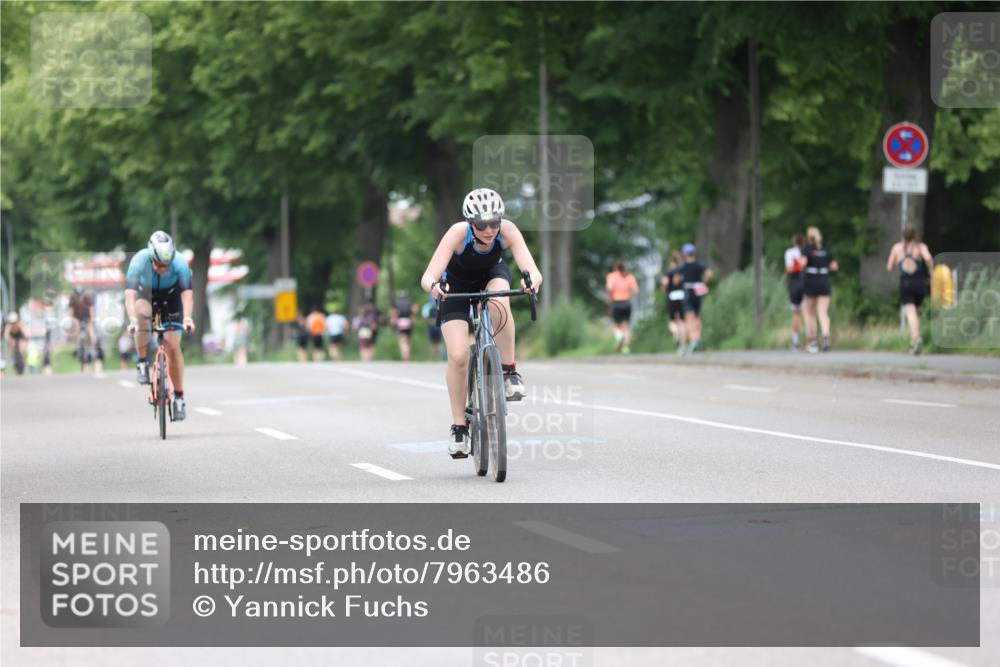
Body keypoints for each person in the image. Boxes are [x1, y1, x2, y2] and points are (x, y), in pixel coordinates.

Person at [419, 187, 542, 459]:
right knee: (459, 356)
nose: (489, 230)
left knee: (500, 301)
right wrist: (436, 288)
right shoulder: (457, 234)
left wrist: (530, 281)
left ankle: (509, 372)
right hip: (456, 288)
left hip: (491, 276)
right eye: (482, 224)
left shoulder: (507, 231)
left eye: (494, 223)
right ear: (470, 223)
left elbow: (532, 270)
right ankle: (459, 428)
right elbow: (427, 276)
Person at [124, 231, 195, 420]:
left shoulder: (180, 264)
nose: (163, 268)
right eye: (158, 264)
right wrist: (132, 321)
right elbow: (130, 295)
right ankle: (141, 361)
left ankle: (179, 397)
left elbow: (187, 295)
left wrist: (187, 319)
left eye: (167, 265)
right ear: (150, 257)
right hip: (146, 294)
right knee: (142, 313)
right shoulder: (139, 261)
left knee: (173, 346)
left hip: (172, 297)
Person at [886, 224, 934, 355]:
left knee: (910, 313)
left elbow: (889, 266)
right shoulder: (920, 247)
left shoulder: (897, 248)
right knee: (917, 312)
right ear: (915, 235)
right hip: (919, 283)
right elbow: (929, 258)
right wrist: (930, 271)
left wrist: (899, 263)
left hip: (906, 283)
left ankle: (916, 338)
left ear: (903, 236)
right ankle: (915, 339)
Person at [801, 226, 838, 354]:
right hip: (824, 281)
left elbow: (802, 264)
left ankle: (812, 340)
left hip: (811, 281)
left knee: (810, 313)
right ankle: (826, 336)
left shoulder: (807, 250)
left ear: (808, 237)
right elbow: (834, 266)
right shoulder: (825, 250)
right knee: (823, 312)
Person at [678, 243, 713, 353]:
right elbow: (709, 274)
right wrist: (703, 283)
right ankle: (697, 340)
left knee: (689, 318)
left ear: (684, 254)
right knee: (697, 317)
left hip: (687, 291)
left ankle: (693, 341)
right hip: (698, 290)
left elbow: (676, 280)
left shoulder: (682, 267)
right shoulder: (700, 265)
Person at [606, 260, 639, 354]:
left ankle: (619, 337)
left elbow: (609, 289)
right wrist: (629, 295)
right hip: (627, 303)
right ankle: (626, 347)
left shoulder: (612, 276)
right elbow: (636, 290)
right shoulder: (630, 276)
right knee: (626, 326)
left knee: (616, 325)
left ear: (616, 268)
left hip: (616, 302)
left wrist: (610, 298)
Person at [661, 251, 687, 354]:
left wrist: (664, 290)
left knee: (672, 321)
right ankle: (683, 342)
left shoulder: (668, 272)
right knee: (682, 321)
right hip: (681, 295)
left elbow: (665, 283)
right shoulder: (682, 270)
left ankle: (676, 333)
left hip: (671, 296)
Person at [784, 233, 807, 351]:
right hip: (806, 282)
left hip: (794, 283)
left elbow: (789, 269)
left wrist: (794, 268)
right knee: (807, 313)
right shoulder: (806, 252)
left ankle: (795, 342)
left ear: (794, 242)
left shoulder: (789, 252)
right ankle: (810, 341)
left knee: (796, 313)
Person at [69, 287, 96, 373]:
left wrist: (91, 322)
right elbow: (71, 313)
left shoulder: (87, 299)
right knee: (75, 329)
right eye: (77, 295)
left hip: (87, 318)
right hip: (77, 319)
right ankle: (77, 347)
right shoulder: (73, 300)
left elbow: (92, 312)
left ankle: (92, 347)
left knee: (90, 331)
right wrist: (73, 321)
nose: (79, 297)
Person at [390, 290, 417, 362]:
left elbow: (393, 312)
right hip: (408, 321)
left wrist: (393, 320)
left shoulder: (396, 303)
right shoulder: (410, 302)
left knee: (402, 340)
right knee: (408, 339)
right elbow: (415, 309)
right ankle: (407, 355)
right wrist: (413, 317)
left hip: (400, 321)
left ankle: (405, 354)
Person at [421, 293, 444, 360]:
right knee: (438, 342)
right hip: (438, 325)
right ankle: (439, 357)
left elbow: (425, 317)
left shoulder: (427, 306)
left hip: (430, 326)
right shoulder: (440, 305)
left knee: (432, 342)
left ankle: (434, 357)